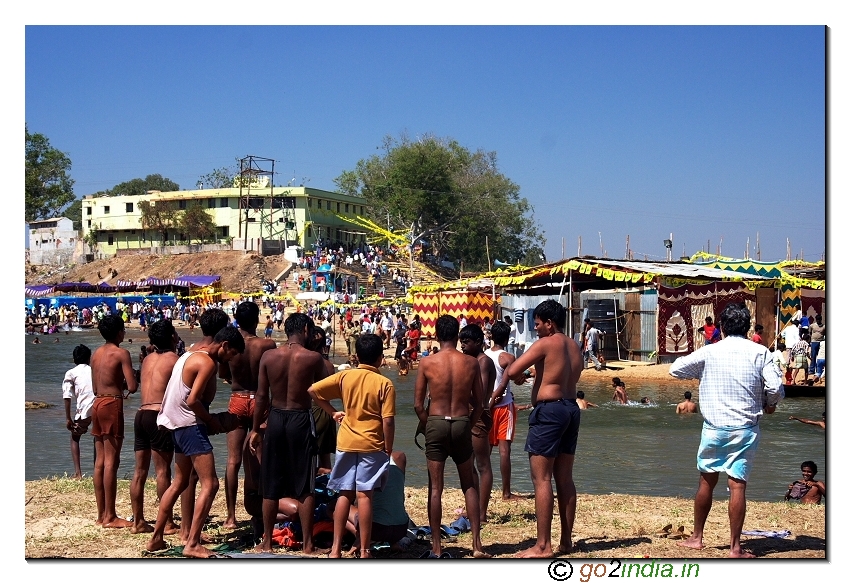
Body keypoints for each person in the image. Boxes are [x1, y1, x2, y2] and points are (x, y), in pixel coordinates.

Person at [669, 302, 783, 558]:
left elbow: (675, 368)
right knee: (737, 487)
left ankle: (697, 538)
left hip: (714, 427)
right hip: (745, 428)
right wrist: (769, 403)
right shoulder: (760, 352)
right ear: (747, 326)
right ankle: (735, 548)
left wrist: (700, 369)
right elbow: (775, 388)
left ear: (721, 326)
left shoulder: (711, 351)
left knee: (706, 482)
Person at [147, 317, 244, 558]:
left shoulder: (189, 353)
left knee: (179, 482)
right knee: (210, 484)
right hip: (189, 424)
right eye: (231, 354)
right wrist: (212, 423)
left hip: (174, 424)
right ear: (223, 345)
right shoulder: (208, 362)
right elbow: (192, 401)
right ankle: (192, 544)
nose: (229, 360)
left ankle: (156, 538)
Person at [505, 300, 584, 557]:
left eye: (538, 324)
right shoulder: (574, 347)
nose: (536, 329)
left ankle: (543, 545)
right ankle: (566, 541)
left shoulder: (545, 343)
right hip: (571, 408)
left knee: (541, 479)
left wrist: (520, 374)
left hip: (549, 411)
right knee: (565, 478)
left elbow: (512, 370)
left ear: (550, 323)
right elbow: (563, 375)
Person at [309, 333, 396, 559]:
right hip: (372, 443)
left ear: (356, 356)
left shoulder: (345, 376)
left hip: (346, 440)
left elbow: (313, 391)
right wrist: (388, 447)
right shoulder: (385, 383)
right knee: (365, 495)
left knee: (344, 494)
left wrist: (333, 412)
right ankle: (365, 550)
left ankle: (336, 549)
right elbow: (388, 420)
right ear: (380, 358)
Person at [249, 313, 329, 554]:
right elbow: (324, 390)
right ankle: (307, 545)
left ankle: (266, 543)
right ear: (305, 329)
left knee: (270, 483)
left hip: (275, 417)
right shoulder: (313, 358)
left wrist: (255, 429)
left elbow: (262, 396)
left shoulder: (269, 356)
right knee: (304, 484)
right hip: (300, 418)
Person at [414, 315, 490, 559]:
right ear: (457, 336)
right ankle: (477, 545)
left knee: (436, 488)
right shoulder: (470, 363)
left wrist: (430, 424)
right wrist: (467, 426)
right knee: (468, 483)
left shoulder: (427, 363)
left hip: (436, 421)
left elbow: (417, 405)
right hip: (461, 421)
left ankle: (436, 547)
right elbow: (479, 403)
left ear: (436, 335)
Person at [218, 302, 277, 533]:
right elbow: (273, 373)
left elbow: (223, 373)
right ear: (257, 319)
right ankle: (261, 512)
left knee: (233, 460)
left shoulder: (231, 345)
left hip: (238, 398)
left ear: (236, 319)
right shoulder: (267, 344)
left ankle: (231, 516)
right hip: (260, 400)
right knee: (259, 459)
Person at [129, 319, 180, 535]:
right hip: (158, 416)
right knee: (162, 471)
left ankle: (138, 521)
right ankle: (167, 522)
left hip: (140, 414)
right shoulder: (175, 359)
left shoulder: (148, 359)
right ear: (171, 337)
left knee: (139, 471)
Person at [90, 314, 138, 528]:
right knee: (112, 461)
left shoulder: (95, 354)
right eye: (123, 330)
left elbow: (93, 387)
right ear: (119, 332)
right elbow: (133, 386)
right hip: (111, 404)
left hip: (97, 402)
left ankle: (102, 514)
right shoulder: (121, 353)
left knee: (100, 461)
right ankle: (110, 516)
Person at [459, 324, 496, 522]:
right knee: (469, 464)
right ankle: (473, 508)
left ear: (479, 342)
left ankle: (481, 513)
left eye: (466, 342)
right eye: (461, 342)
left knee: (483, 464)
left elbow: (479, 396)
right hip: (468, 414)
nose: (463, 346)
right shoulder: (472, 361)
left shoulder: (483, 362)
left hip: (479, 415)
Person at [486, 321, 523, 501]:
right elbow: (516, 379)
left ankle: (481, 489)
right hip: (504, 406)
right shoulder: (508, 357)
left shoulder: (483, 356)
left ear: (491, 336)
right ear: (507, 338)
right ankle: (506, 492)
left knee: (484, 452)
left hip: (486, 406)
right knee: (504, 451)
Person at [345, 450, 411, 551]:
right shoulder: (400, 457)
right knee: (390, 499)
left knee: (335, 508)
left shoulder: (364, 461)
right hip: (401, 530)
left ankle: (362, 538)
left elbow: (359, 502)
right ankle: (393, 543)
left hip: (376, 530)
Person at [62, 344, 95, 480]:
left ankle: (78, 473)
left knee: (75, 438)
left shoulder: (71, 373)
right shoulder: (94, 370)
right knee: (98, 438)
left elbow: (67, 396)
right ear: (89, 358)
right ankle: (97, 471)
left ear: (74, 359)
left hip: (85, 409)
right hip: (99, 406)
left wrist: (68, 418)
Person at [310, 325, 338, 475]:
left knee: (307, 457)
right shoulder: (329, 365)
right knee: (325, 457)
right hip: (327, 411)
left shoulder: (305, 362)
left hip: (311, 410)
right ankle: (328, 492)